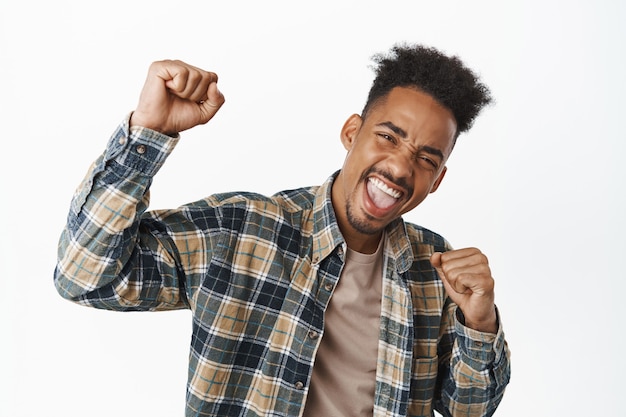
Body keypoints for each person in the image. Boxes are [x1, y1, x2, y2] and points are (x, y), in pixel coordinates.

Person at [54, 43, 511, 417]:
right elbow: (85, 277)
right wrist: (148, 132)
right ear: (352, 132)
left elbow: (466, 410)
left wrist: (480, 322)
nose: (399, 166)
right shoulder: (241, 231)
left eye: (427, 158)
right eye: (388, 137)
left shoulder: (435, 269)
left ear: (438, 180)